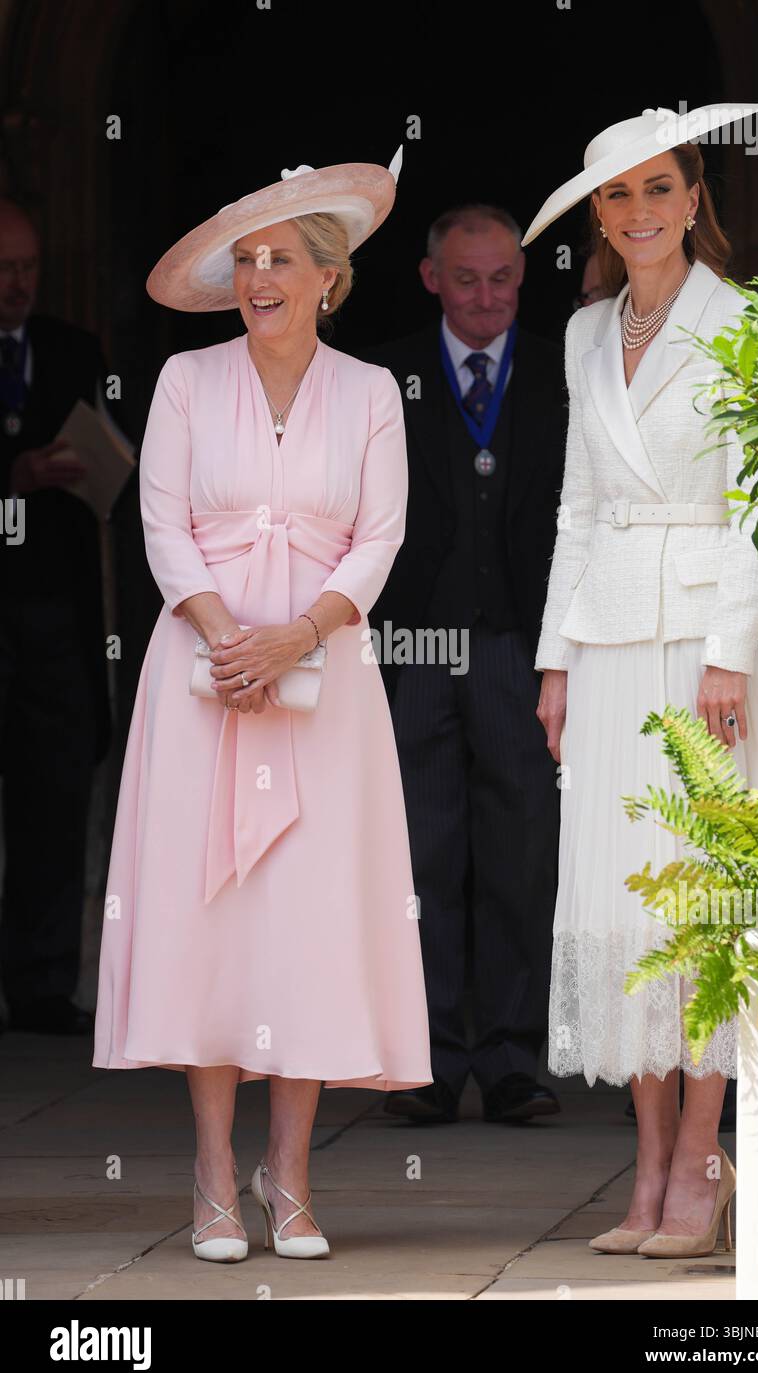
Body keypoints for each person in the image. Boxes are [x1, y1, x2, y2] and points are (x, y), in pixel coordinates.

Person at [92, 152, 432, 1262]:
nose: (261, 278)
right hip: (200, 680)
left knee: (306, 924)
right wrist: (224, 634)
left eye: (281, 258)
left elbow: (380, 536)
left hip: (325, 685)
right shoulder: (188, 381)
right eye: (246, 262)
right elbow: (159, 522)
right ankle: (208, 1175)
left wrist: (301, 632)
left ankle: (287, 1178)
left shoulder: (372, 391)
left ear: (329, 278)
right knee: (212, 924)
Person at [524, 104, 758, 1257]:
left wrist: (733, 648)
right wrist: (551, 660)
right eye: (617, 195)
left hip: (700, 652)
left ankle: (699, 1163)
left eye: (660, 189)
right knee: (623, 908)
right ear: (598, 214)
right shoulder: (583, 333)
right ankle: (640, 1173)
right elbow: (576, 506)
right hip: (605, 638)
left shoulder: (742, 322)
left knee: (701, 907)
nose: (639, 212)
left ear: (694, 201)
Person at [364, 205, 564, 1124]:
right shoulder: (383, 374)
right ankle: (430, 1063)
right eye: (468, 278)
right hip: (410, 648)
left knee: (523, 854)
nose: (488, 298)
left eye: (504, 280)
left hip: (523, 645)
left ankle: (514, 1060)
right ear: (430, 277)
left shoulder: (564, 368)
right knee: (420, 859)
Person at [0, 198, 118, 1037]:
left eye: (28, 268)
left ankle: (43, 983)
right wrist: (14, 473)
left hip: (53, 611)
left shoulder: (72, 350)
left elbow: (114, 448)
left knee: (52, 797)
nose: (16, 285)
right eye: (3, 269)